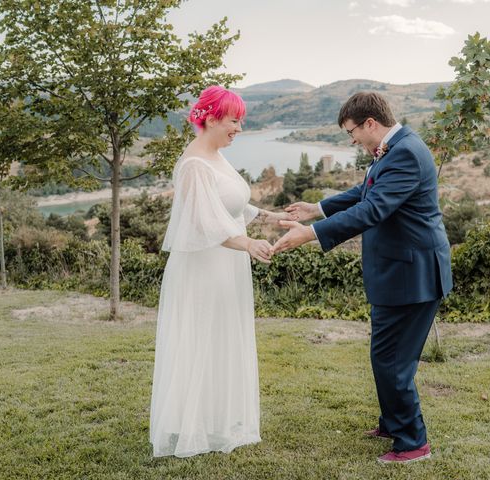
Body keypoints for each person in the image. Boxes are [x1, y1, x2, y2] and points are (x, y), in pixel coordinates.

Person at [274, 92, 453, 464]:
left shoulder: (404, 151)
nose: (352, 140)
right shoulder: (396, 147)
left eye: (352, 132)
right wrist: (317, 208)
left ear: (370, 123)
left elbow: (373, 209)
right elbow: (364, 192)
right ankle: (392, 422)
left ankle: (412, 442)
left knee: (391, 361)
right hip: (399, 273)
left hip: (412, 275)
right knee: (385, 356)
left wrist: (311, 233)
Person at [150, 85, 288, 457]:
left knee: (224, 337)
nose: (238, 129)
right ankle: (194, 426)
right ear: (210, 119)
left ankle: (217, 421)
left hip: (227, 265)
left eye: (240, 122)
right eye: (233, 121)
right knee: (203, 340)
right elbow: (202, 223)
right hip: (204, 267)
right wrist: (247, 243)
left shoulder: (216, 155)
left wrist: (268, 216)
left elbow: (230, 204)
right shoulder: (194, 164)